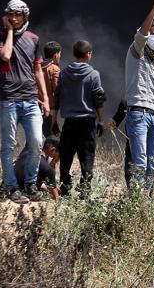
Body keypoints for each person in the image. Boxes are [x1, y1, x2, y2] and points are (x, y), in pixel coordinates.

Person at [0, 0, 49, 204]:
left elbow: (37, 69)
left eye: (18, 14)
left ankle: (30, 184)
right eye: (11, 14)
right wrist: (9, 31)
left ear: (25, 16)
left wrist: (44, 98)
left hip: (30, 99)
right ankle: (11, 187)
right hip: (9, 99)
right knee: (8, 146)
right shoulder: (0, 37)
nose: (15, 18)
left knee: (37, 142)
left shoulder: (34, 39)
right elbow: (6, 55)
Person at [124, 0, 154, 195]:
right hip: (138, 114)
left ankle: (146, 199)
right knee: (140, 162)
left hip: (152, 114)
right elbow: (142, 34)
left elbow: (153, 87)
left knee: (153, 163)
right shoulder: (137, 50)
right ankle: (137, 201)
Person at [52, 40, 107, 198]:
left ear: (75, 54)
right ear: (88, 54)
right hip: (87, 123)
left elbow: (57, 98)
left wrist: (55, 120)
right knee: (87, 158)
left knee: (66, 157)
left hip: (69, 122)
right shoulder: (93, 74)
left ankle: (65, 189)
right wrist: (101, 121)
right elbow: (99, 100)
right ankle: (84, 192)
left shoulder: (64, 73)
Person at [42, 41, 62, 136]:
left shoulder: (36, 66)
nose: (60, 56)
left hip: (33, 107)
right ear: (55, 55)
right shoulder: (54, 69)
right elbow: (57, 89)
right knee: (55, 139)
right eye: (59, 54)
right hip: (47, 110)